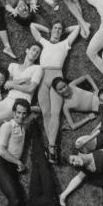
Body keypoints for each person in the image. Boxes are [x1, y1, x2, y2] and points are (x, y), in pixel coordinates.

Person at [0, 43, 43, 149]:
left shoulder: (38, 69)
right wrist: (22, 80)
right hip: (6, 101)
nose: (35, 53)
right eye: (33, 49)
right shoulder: (13, 66)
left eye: (38, 52)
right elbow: (5, 85)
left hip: (20, 103)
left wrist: (13, 84)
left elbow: (30, 88)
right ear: (27, 50)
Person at [30, 20, 80, 163]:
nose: (57, 30)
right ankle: (52, 148)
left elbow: (77, 27)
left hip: (57, 78)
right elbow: (33, 26)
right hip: (42, 76)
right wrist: (48, 30)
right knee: (45, 112)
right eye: (55, 28)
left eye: (60, 29)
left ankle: (52, 148)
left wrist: (63, 30)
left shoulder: (65, 44)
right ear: (51, 30)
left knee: (55, 113)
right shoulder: (44, 42)